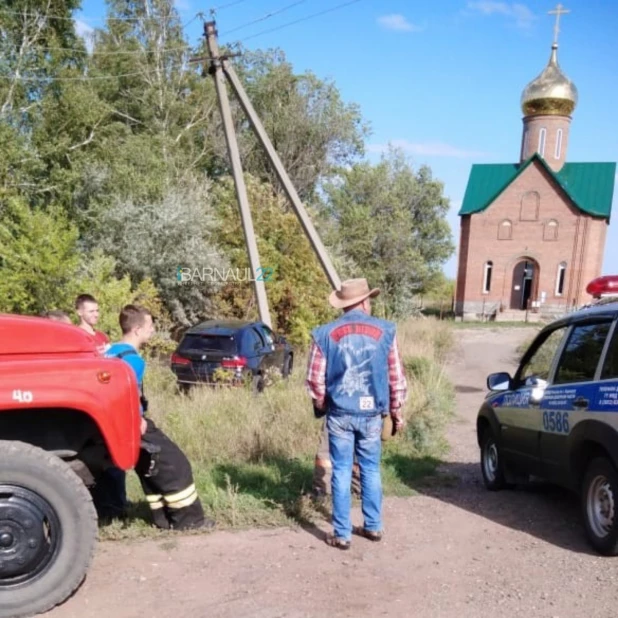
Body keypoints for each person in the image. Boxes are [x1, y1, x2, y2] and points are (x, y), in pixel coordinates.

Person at [305, 278, 408, 550]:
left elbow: (315, 379)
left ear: (344, 304)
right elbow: (396, 377)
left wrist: (322, 404)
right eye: (370, 300)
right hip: (372, 413)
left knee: (340, 470)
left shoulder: (324, 333)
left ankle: (342, 534)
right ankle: (373, 527)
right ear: (364, 301)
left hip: (339, 412)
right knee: (370, 468)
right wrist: (396, 412)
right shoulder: (386, 330)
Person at [106, 304, 213, 531]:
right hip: (132, 423)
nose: (153, 330)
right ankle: (190, 521)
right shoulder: (132, 361)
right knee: (176, 465)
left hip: (114, 424)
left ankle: (163, 518)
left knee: (149, 465)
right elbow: (126, 395)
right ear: (136, 329)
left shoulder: (110, 351)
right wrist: (137, 420)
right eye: (149, 325)